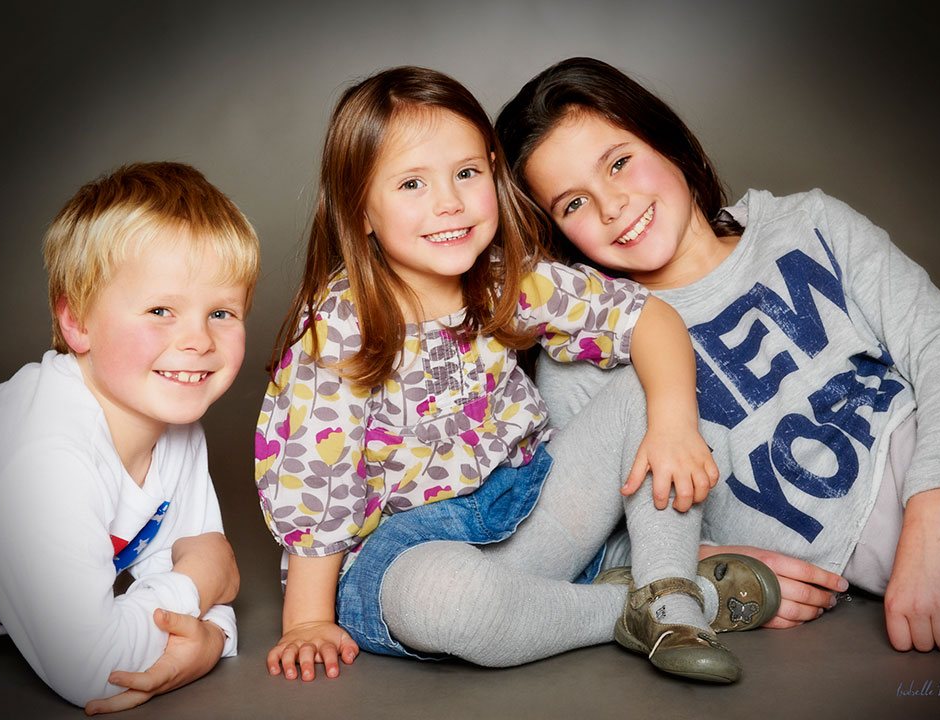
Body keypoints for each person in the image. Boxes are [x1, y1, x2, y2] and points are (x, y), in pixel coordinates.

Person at [256, 65, 781, 686]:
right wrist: (307, 620)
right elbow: (317, 487)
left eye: (467, 173)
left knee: (647, 385)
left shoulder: (508, 281)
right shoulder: (341, 329)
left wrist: (673, 422)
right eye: (412, 184)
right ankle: (630, 607)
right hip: (413, 556)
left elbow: (648, 318)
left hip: (535, 516)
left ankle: (669, 593)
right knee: (442, 601)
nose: (448, 202)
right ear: (360, 211)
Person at [495, 56, 940, 655]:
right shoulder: (583, 357)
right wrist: (707, 560)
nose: (613, 205)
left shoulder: (808, 221)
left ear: (666, 140)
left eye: (620, 162)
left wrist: (931, 532)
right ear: (556, 234)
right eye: (572, 203)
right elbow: (582, 537)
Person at [0, 161, 260, 713]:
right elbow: (95, 667)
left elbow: (197, 572)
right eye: (160, 310)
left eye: (221, 312)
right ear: (77, 322)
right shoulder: (44, 452)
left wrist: (211, 637)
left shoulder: (176, 424)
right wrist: (201, 587)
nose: (197, 340)